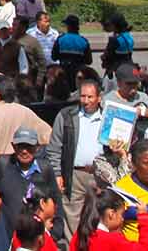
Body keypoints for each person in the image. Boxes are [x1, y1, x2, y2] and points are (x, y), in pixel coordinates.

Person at [46, 72, 108, 242]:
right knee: (72, 214)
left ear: (99, 97)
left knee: (101, 213)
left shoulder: (108, 117)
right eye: (83, 96)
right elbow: (54, 148)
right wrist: (58, 174)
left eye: (90, 97)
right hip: (74, 174)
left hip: (101, 174)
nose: (86, 101)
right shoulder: (66, 116)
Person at [75, 190, 148, 251]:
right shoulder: (112, 240)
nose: (122, 219)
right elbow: (147, 249)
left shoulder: (79, 235)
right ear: (111, 214)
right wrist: (143, 217)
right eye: (121, 214)